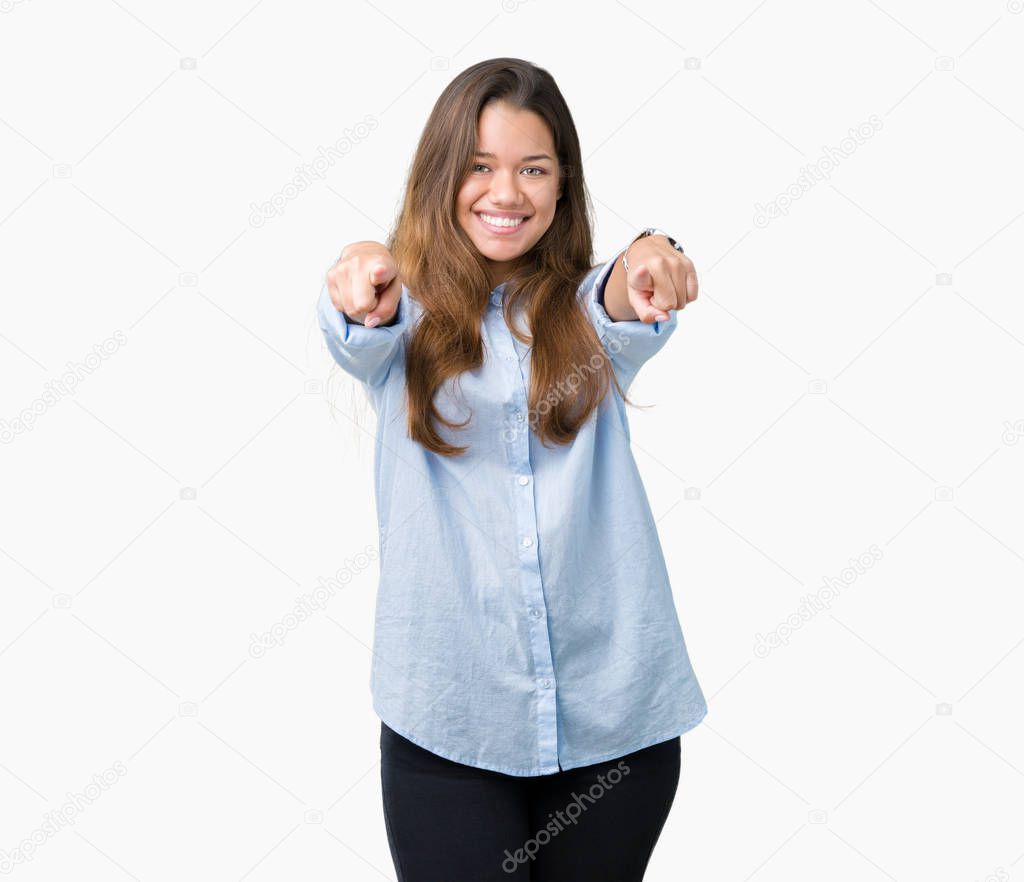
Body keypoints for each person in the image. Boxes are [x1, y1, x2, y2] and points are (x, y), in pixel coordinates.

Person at [317, 57, 706, 882]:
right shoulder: (401, 312)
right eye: (479, 167)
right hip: (449, 725)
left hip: (616, 727)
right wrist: (357, 266)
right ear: (441, 178)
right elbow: (359, 308)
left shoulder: (587, 315)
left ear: (562, 184)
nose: (506, 193)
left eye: (533, 169)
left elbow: (631, 286)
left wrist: (655, 250)